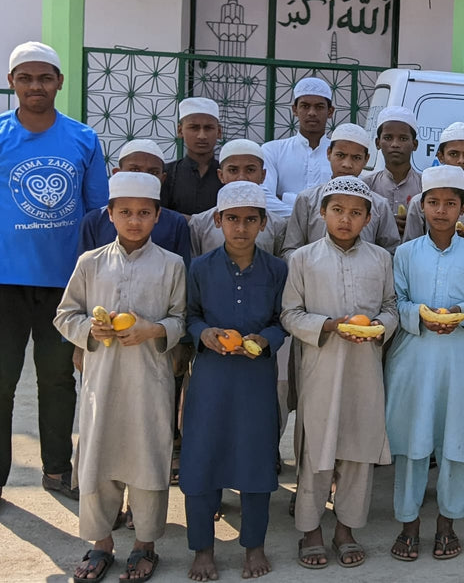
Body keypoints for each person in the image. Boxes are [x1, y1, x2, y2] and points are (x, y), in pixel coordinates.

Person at [54, 171, 186, 583]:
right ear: (109, 214)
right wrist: (87, 332)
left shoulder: (172, 264)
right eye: (125, 212)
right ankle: (100, 544)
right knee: (99, 455)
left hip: (150, 381)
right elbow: (65, 314)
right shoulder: (89, 263)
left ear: (157, 216)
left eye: (144, 212)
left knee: (147, 456)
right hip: (102, 381)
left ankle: (145, 545)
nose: (134, 220)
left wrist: (153, 330)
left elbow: (182, 318)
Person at [2, 41, 107, 503]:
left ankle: (57, 471)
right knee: (1, 380)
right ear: (12, 83)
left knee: (59, 380)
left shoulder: (83, 139)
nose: (35, 86)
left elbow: (96, 214)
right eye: (25, 78)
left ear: (60, 82)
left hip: (65, 286)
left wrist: (95, 281)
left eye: (45, 77)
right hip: (5, 282)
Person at [281, 177, 396, 569]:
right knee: (317, 448)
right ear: (322, 213)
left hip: (365, 367)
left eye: (355, 213)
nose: (345, 219)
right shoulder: (303, 258)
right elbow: (290, 314)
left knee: (359, 448)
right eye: (337, 211)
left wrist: (378, 326)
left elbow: (391, 306)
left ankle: (346, 529)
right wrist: (329, 326)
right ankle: (311, 530)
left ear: (368, 218)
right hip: (321, 366)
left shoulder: (381, 259)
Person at [180, 181, 287, 581]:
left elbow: (282, 321)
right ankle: (202, 548)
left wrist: (265, 340)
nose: (240, 228)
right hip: (211, 377)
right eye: (232, 220)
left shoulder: (277, 269)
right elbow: (189, 315)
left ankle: (253, 546)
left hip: (257, 378)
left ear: (262, 224)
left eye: (249, 220)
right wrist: (203, 333)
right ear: (218, 221)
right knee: (201, 456)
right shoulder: (200, 268)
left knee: (256, 458)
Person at [384, 165, 464, 561]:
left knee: (455, 443)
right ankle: (408, 525)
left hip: (459, 360)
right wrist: (422, 316)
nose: (441, 210)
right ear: (420, 206)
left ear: (462, 206)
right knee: (413, 444)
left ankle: (447, 524)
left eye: (450, 202)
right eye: (433, 203)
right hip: (414, 357)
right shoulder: (406, 253)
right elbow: (397, 302)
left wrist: (461, 312)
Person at [281, 124, 400, 257]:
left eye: (356, 158)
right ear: (329, 153)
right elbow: (290, 250)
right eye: (340, 155)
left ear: (366, 159)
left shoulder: (378, 205)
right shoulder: (307, 199)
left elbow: (391, 253)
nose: (347, 164)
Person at [79, 139, 190, 266]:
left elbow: (181, 274)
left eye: (153, 173)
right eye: (134, 170)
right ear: (117, 174)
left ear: (163, 178)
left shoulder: (175, 223)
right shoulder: (94, 221)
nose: (143, 178)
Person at [403, 122, 464, 250]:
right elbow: (410, 251)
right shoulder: (419, 202)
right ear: (441, 157)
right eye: (453, 154)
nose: (461, 160)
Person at [188, 139, 287, 257]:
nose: (241, 177)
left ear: (263, 175)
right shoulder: (200, 223)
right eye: (233, 170)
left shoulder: (277, 224)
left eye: (250, 170)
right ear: (221, 175)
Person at [260, 77, 335, 217]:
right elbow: (264, 197)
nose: (312, 112)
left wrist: (285, 197)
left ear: (330, 111)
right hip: (284, 232)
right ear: (295, 110)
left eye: (319, 107)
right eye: (305, 106)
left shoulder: (340, 154)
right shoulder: (272, 150)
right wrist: (310, 219)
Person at [364, 105, 421, 237]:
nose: (395, 144)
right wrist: (385, 224)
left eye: (403, 138)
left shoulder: (426, 187)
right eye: (388, 138)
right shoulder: (366, 186)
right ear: (378, 143)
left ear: (415, 144)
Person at [162, 98, 222, 216]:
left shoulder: (227, 175)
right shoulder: (166, 174)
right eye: (194, 128)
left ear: (219, 131)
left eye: (208, 128)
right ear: (180, 131)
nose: (202, 136)